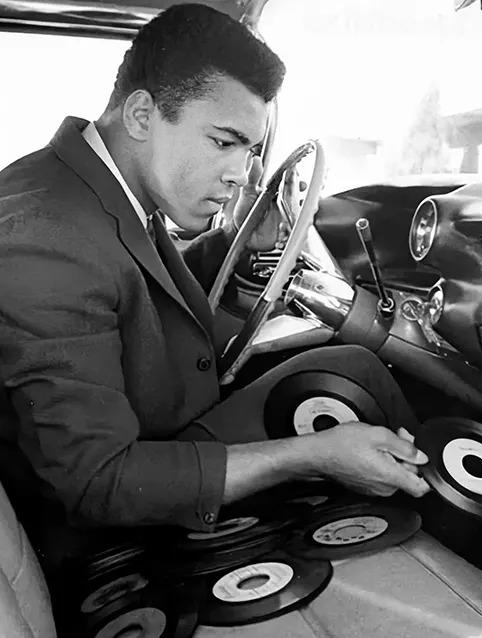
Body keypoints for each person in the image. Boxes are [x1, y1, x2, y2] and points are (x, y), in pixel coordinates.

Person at [0, 3, 429, 576]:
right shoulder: (44, 236)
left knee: (340, 365)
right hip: (104, 520)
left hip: (163, 418)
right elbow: (97, 482)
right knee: (358, 371)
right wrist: (310, 459)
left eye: (250, 152)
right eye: (223, 142)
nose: (238, 173)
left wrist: (234, 245)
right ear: (142, 114)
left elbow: (136, 274)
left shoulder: (98, 188)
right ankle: (463, 543)